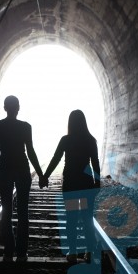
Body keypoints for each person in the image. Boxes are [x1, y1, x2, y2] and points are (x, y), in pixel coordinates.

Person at [0, 95, 44, 262]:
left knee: (6, 211)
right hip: (22, 169)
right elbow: (31, 152)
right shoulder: (25, 127)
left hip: (5, 169)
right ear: (18, 108)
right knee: (23, 212)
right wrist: (40, 174)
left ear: (5, 108)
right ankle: (21, 253)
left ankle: (8, 251)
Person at [41, 110, 100, 263]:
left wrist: (45, 176)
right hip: (86, 184)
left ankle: (73, 253)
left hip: (71, 185)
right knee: (87, 218)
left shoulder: (66, 140)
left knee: (72, 218)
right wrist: (97, 182)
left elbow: (55, 159)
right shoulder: (90, 140)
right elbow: (95, 163)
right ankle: (89, 252)